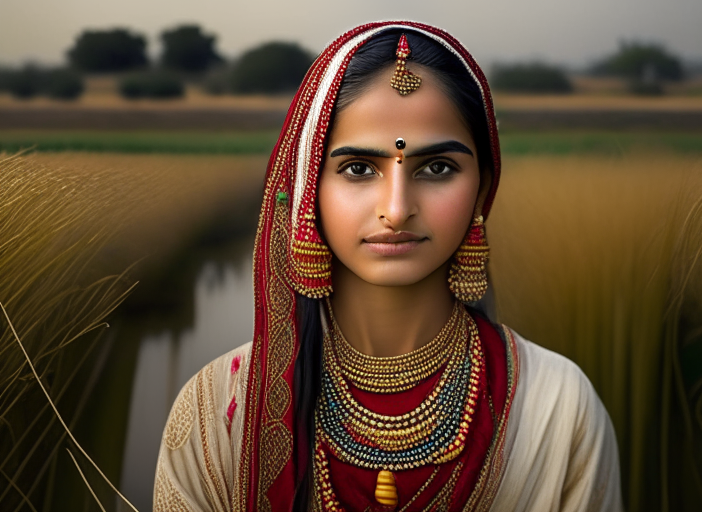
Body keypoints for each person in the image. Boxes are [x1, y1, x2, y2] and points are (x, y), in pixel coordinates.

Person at [153, 21, 623, 512]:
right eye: (358, 169)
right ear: (308, 188)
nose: (396, 209)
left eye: (437, 168)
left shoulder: (556, 404)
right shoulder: (218, 409)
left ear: (482, 189)